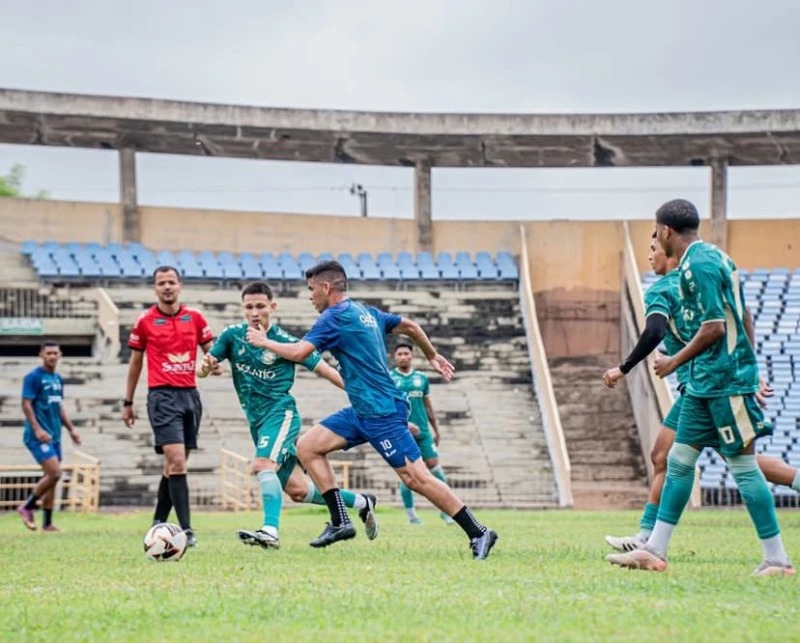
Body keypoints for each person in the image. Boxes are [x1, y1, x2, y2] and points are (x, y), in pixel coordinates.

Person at [245, 260, 498, 560]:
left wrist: (264, 342)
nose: (310, 296)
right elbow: (411, 326)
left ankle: (479, 531)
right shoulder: (367, 312)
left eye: (311, 289)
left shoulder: (333, 318)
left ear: (326, 287)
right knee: (308, 446)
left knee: (417, 479)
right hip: (362, 410)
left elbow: (300, 352)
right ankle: (340, 521)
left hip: (382, 413)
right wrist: (432, 355)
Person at [607, 199, 794, 576]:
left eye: (656, 234)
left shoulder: (698, 267)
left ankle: (776, 559)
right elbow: (743, 313)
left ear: (665, 231)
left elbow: (715, 328)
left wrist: (673, 362)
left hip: (724, 382)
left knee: (743, 467)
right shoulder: (715, 258)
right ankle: (654, 549)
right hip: (702, 385)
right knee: (676, 461)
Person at [197, 281, 379, 549]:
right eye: (249, 307)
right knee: (299, 491)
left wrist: (366, 395)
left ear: (272, 306)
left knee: (262, 465)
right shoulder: (232, 336)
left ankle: (270, 531)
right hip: (257, 422)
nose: (255, 312)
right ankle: (363, 502)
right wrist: (205, 368)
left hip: (280, 414)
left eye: (261, 306)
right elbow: (204, 368)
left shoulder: (286, 342)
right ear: (243, 308)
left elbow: (327, 371)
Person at [122, 265, 217, 547]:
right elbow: (135, 363)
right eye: (161, 282)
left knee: (173, 466)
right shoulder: (145, 321)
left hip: (190, 396)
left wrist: (214, 364)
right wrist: (128, 402)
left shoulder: (195, 317)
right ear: (155, 288)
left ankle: (157, 522)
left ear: (180, 286)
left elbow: (211, 352)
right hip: (162, 397)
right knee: (176, 462)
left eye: (171, 282)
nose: (167, 287)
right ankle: (186, 531)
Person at [17, 341, 81, 532]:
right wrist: (37, 430)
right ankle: (27, 507)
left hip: (54, 436)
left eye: (55, 353)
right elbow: (26, 404)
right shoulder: (33, 377)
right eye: (49, 353)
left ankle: (47, 524)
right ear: (41, 355)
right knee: (55, 473)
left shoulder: (57, 378)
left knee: (51, 479)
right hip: (37, 436)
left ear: (60, 355)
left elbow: (58, 406)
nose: (52, 356)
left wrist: (71, 430)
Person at [391, 340, 455, 525]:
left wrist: (436, 429)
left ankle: (446, 510)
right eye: (399, 354)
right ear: (394, 357)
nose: (403, 357)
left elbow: (427, 405)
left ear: (412, 356)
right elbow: (387, 406)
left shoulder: (421, 378)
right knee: (408, 472)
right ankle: (412, 516)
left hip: (424, 432)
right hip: (402, 432)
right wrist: (405, 423)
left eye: (406, 353)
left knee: (435, 467)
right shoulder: (389, 378)